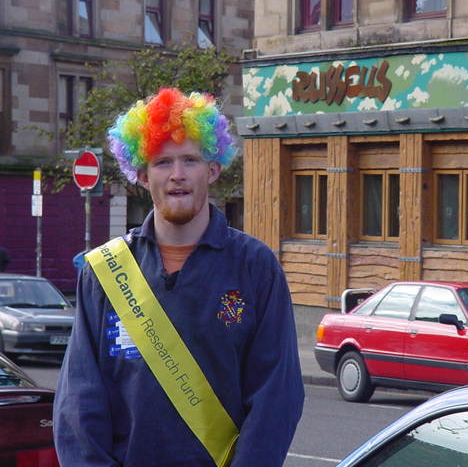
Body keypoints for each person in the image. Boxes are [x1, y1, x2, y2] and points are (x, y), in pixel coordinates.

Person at [53, 88, 304, 467]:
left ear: (213, 169)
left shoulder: (256, 266)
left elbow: (276, 396)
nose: (177, 175)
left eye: (190, 160)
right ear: (141, 174)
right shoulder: (103, 270)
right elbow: (79, 401)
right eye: (162, 162)